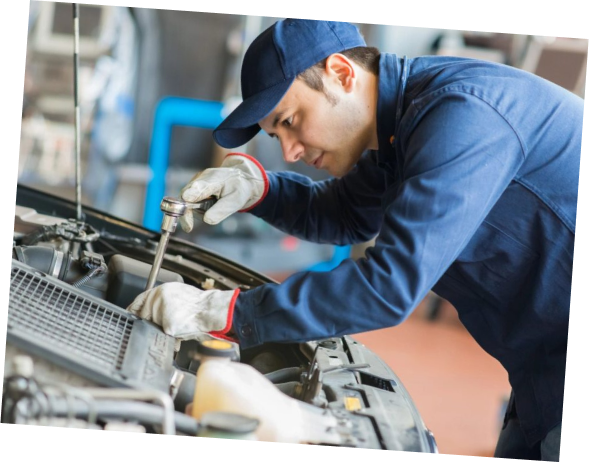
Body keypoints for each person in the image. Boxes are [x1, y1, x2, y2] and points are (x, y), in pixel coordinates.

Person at [127, 19, 582, 459]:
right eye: (276, 135)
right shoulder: (398, 129)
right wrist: (260, 189)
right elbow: (345, 213)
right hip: (542, 370)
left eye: (291, 121)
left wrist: (228, 312)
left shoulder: (461, 115)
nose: (290, 151)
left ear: (341, 74)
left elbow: (389, 286)